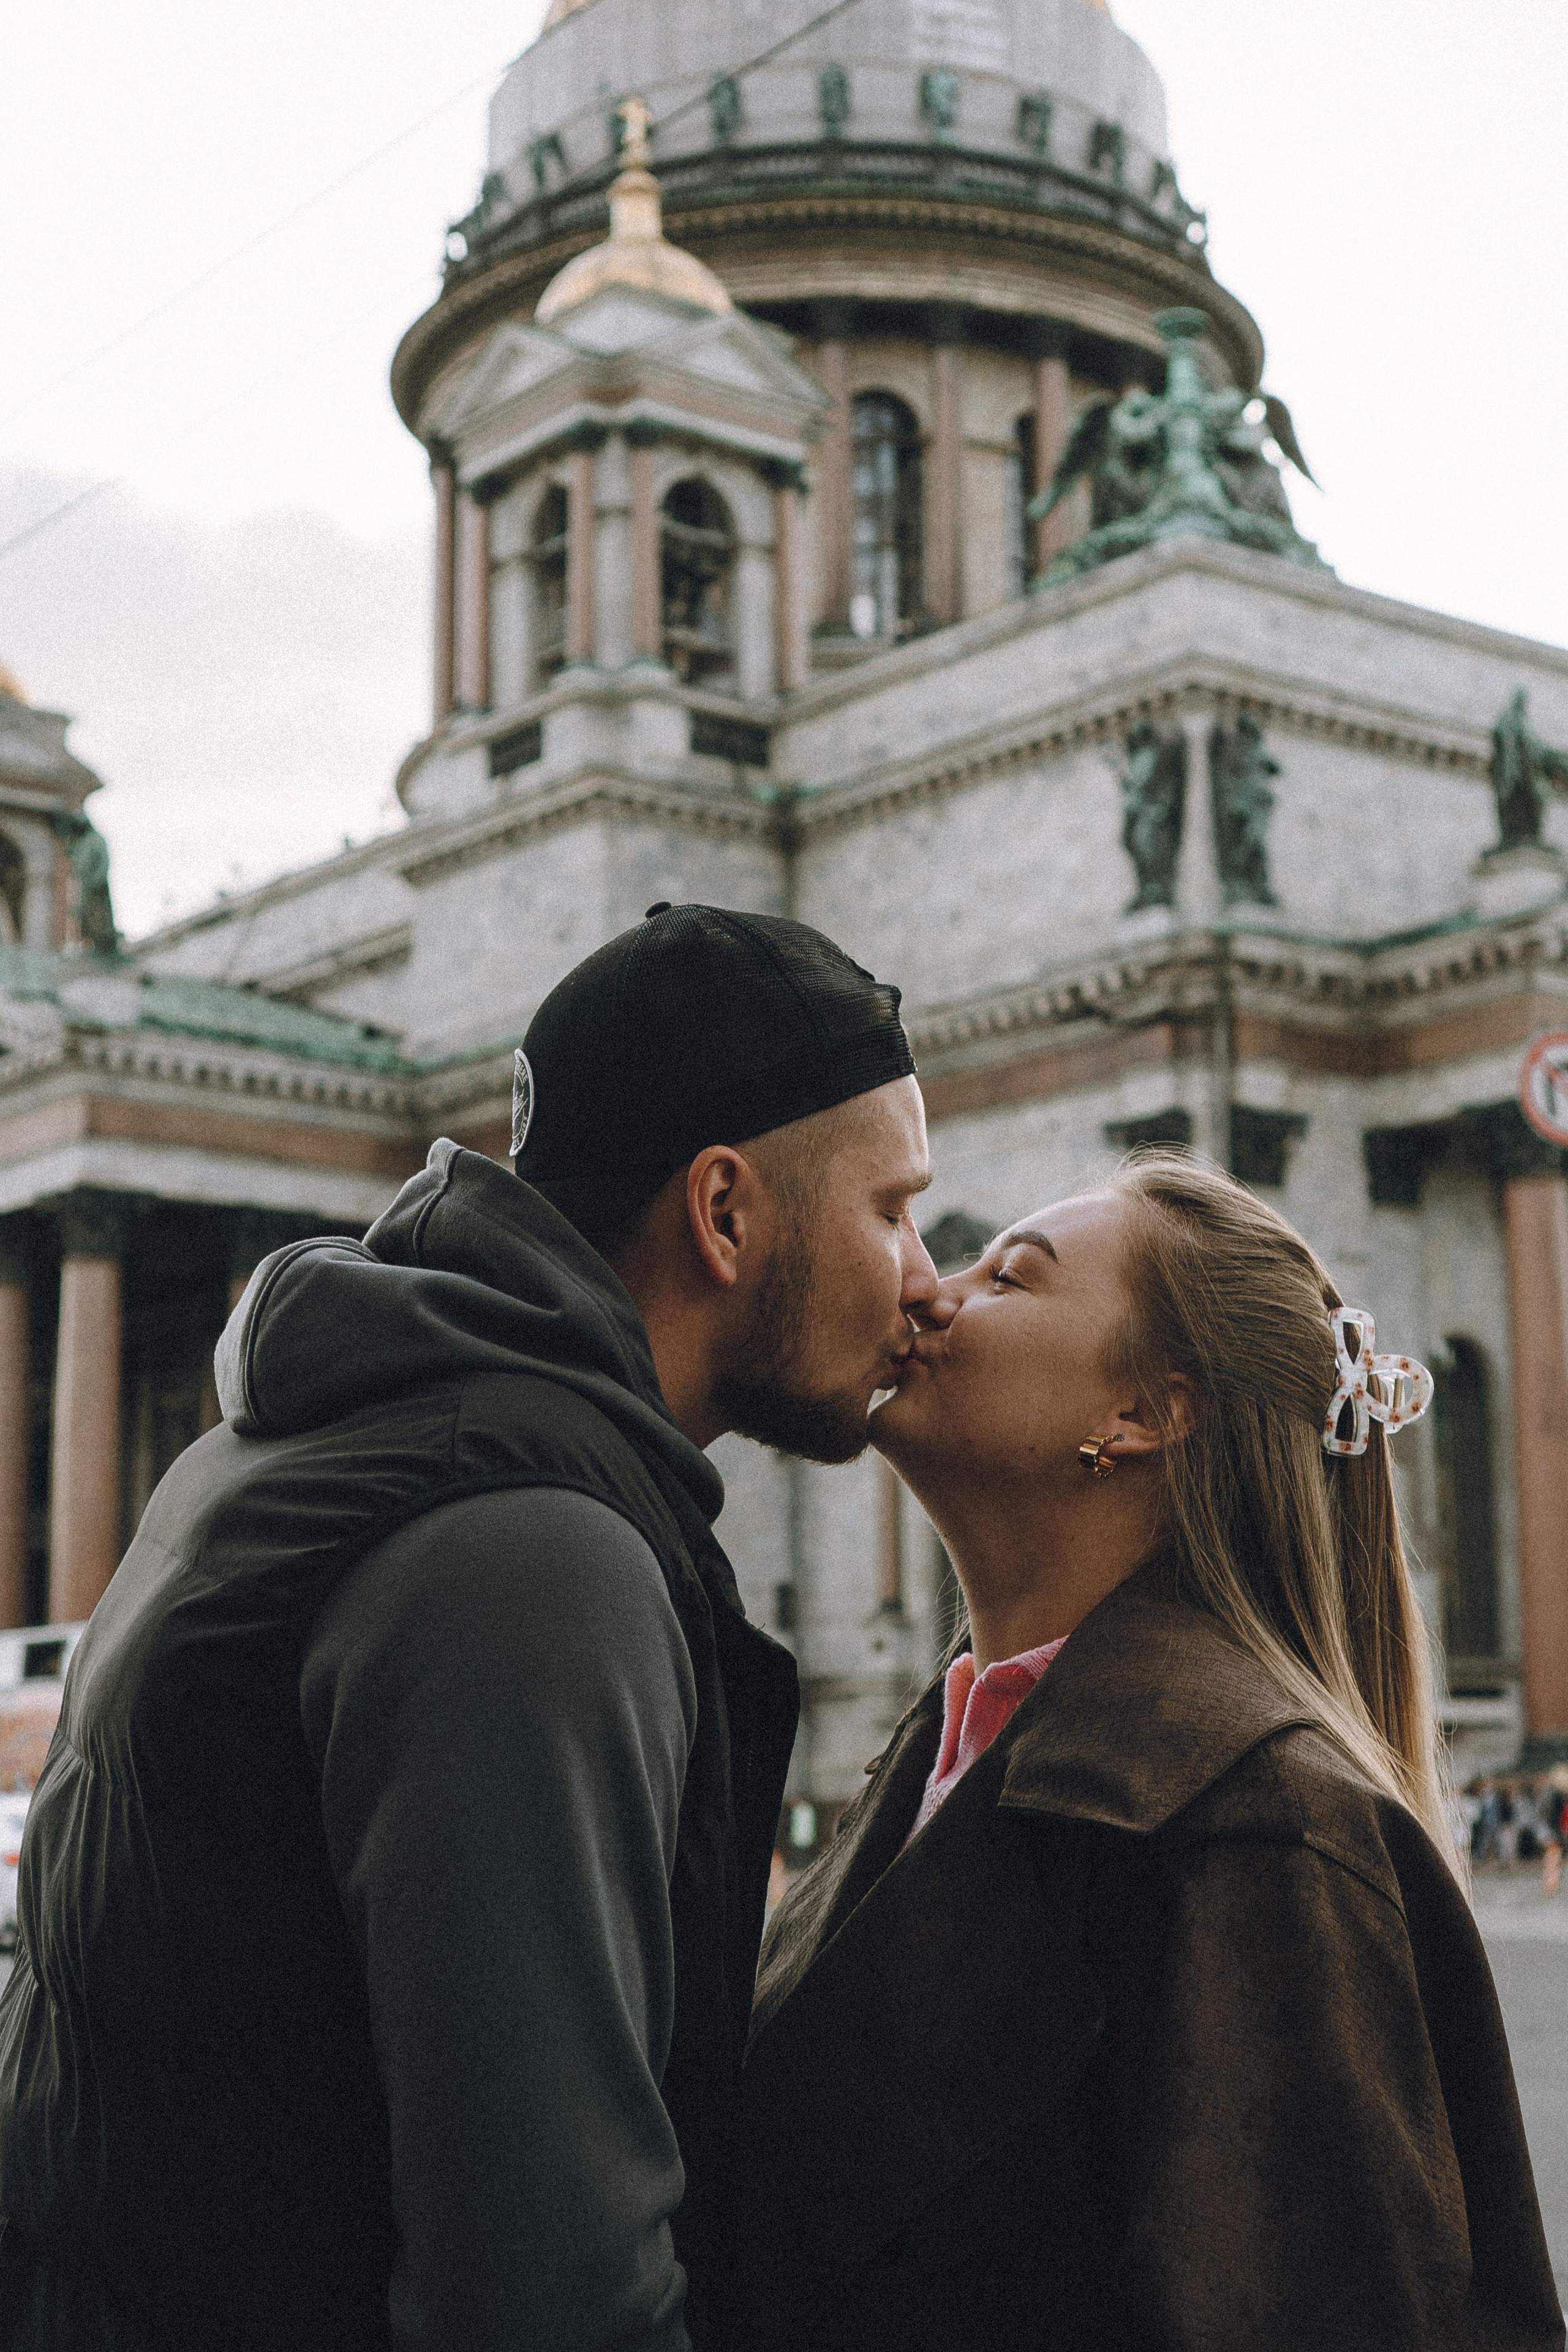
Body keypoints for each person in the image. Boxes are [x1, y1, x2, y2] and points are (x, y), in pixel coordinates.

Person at [0, 905, 938, 2352]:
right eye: (891, 1210)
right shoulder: (526, 1551)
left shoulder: (357, 1426)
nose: (926, 1276)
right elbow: (546, 2288)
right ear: (725, 1212)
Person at [716, 1153, 1563, 2352]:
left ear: (1144, 1414)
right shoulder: (953, 1752)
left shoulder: (1259, 1825)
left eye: (1005, 1274)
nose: (922, 1289)